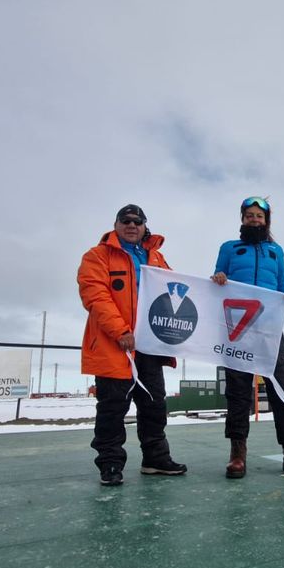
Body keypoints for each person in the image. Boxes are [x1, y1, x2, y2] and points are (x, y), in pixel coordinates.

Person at [78, 204, 187, 486]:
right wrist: (120, 331)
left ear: (144, 226)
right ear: (115, 225)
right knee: (113, 408)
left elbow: (181, 290)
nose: (131, 225)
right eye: (125, 220)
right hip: (114, 346)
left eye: (137, 221)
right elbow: (96, 296)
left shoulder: (157, 258)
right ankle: (110, 464)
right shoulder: (97, 257)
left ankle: (155, 459)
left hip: (150, 346)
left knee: (154, 405)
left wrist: (215, 287)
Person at [210, 196, 284, 479]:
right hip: (237, 329)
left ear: (266, 221)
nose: (254, 219)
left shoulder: (276, 252)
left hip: (269, 329)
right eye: (249, 215)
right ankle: (237, 453)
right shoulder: (229, 248)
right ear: (242, 219)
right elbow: (216, 280)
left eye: (258, 216)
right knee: (237, 392)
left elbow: (282, 288)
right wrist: (218, 279)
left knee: (280, 389)